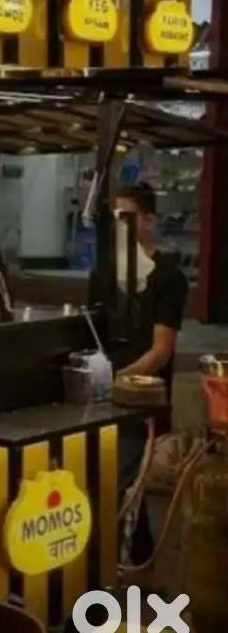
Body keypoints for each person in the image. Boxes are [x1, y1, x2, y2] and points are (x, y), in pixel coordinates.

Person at [114, 182, 189, 565]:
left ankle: (123, 568)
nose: (119, 227)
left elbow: (161, 350)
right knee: (121, 484)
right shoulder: (110, 272)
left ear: (148, 219)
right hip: (107, 397)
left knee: (123, 483)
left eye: (127, 218)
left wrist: (119, 379)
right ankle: (140, 561)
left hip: (142, 399)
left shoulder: (168, 278)